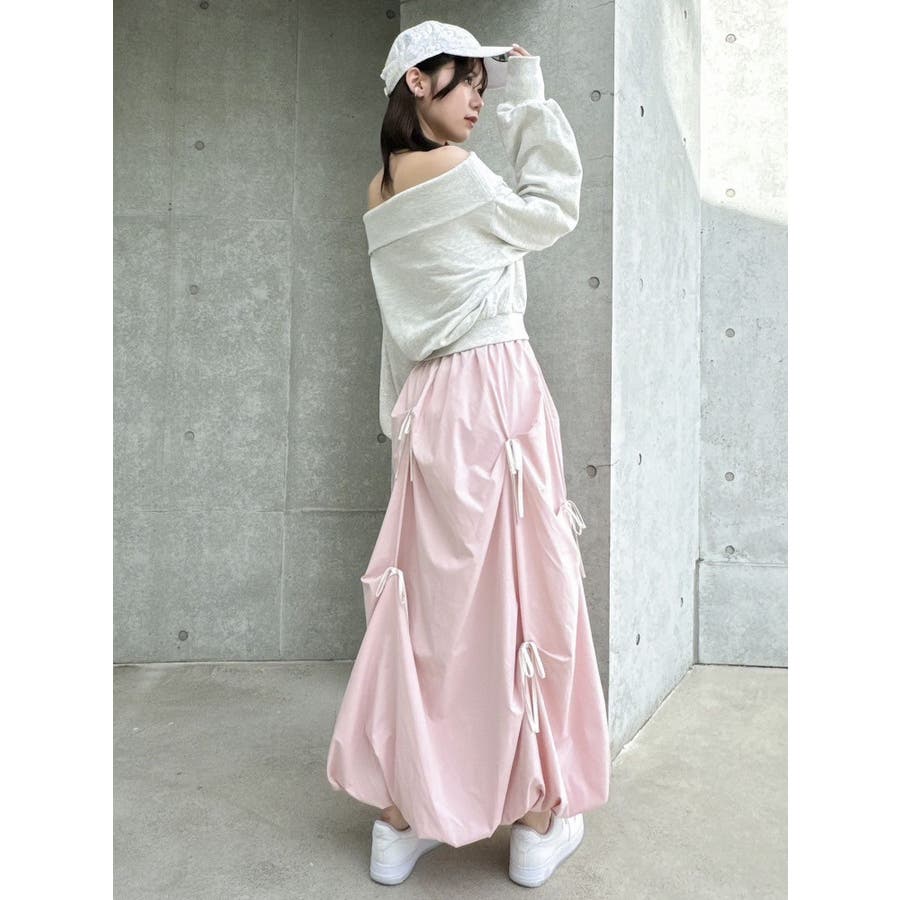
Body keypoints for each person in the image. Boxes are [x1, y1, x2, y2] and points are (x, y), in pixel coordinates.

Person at [324, 20, 611, 888]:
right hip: (494, 391)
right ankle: (535, 822)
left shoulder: (379, 188)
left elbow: (399, 328)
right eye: (469, 82)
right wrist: (531, 98)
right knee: (522, 594)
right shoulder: (456, 170)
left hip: (429, 403)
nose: (480, 99)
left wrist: (401, 421)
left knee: (434, 607)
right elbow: (549, 210)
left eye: (489, 87)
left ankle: (403, 817)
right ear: (418, 81)